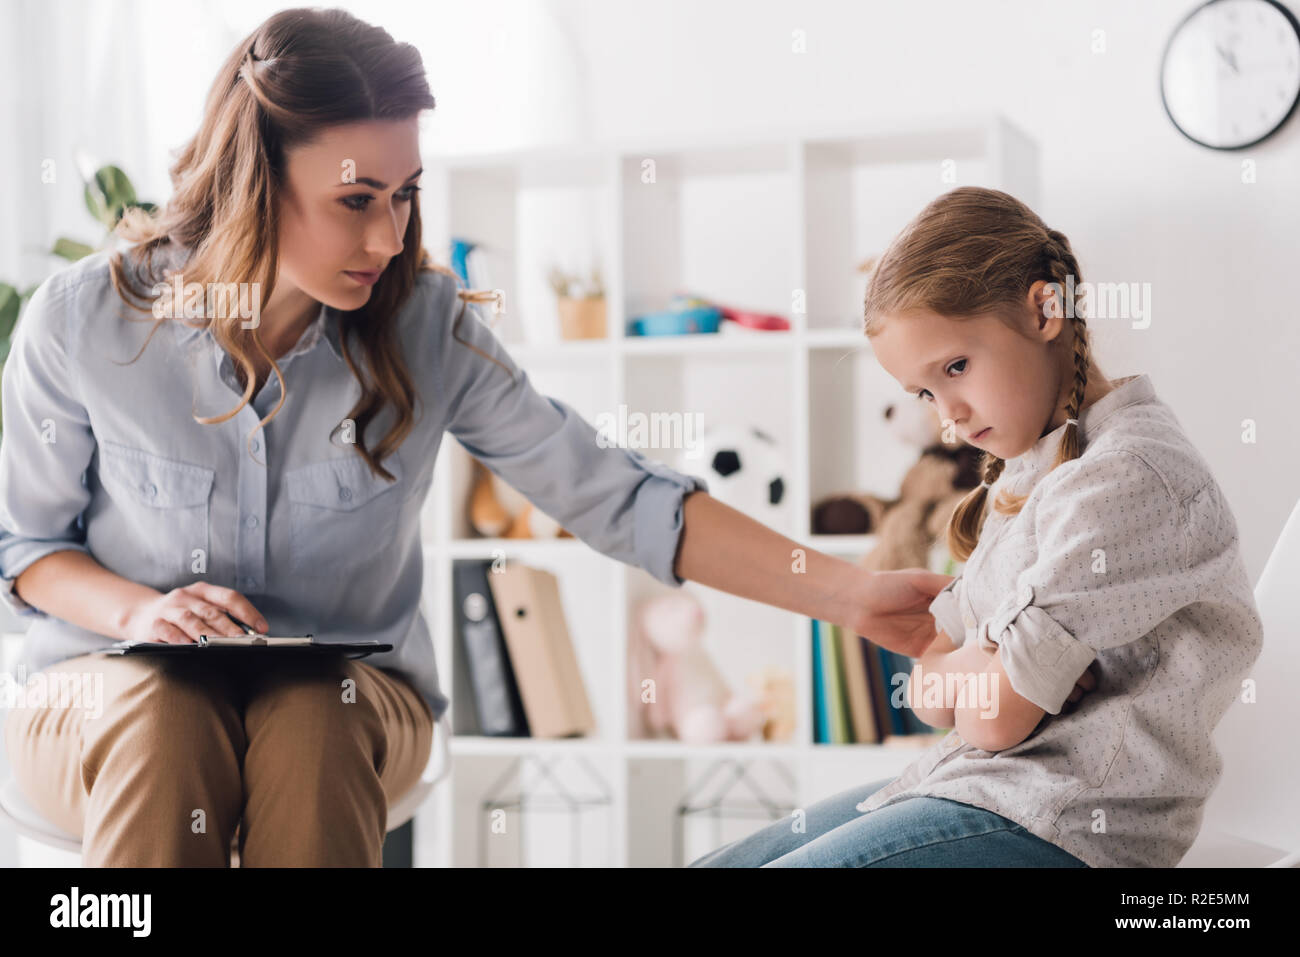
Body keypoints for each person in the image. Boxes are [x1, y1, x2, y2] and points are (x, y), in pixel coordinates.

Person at [0, 8, 947, 867]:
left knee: (311, 713)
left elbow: (615, 497)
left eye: (404, 194)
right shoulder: (85, 321)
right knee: (167, 711)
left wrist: (856, 595)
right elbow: (25, 550)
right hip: (96, 696)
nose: (389, 236)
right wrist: (138, 616)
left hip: (351, 701)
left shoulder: (425, 326)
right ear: (256, 180)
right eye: (355, 200)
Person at [691, 186, 1263, 868]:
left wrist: (977, 667)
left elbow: (990, 715)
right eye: (926, 392)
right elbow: (931, 697)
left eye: (956, 366)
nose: (948, 415)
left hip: (1068, 823)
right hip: (979, 787)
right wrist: (987, 661)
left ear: (1047, 308)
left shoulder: (1127, 477)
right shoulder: (1025, 471)